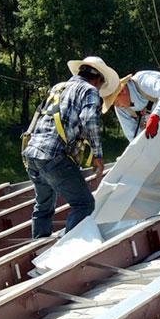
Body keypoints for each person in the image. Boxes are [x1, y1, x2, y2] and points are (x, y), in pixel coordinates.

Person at [22, 56, 119, 239]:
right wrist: (97, 155)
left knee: (43, 206)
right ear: (97, 79)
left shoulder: (58, 87)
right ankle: (68, 247)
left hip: (32, 153)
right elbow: (90, 121)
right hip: (53, 156)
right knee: (84, 204)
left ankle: (37, 246)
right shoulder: (89, 90)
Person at [104, 70, 160, 146]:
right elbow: (133, 137)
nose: (116, 106)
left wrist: (156, 116)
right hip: (157, 134)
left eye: (115, 102)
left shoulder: (143, 80)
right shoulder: (121, 109)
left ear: (122, 91)